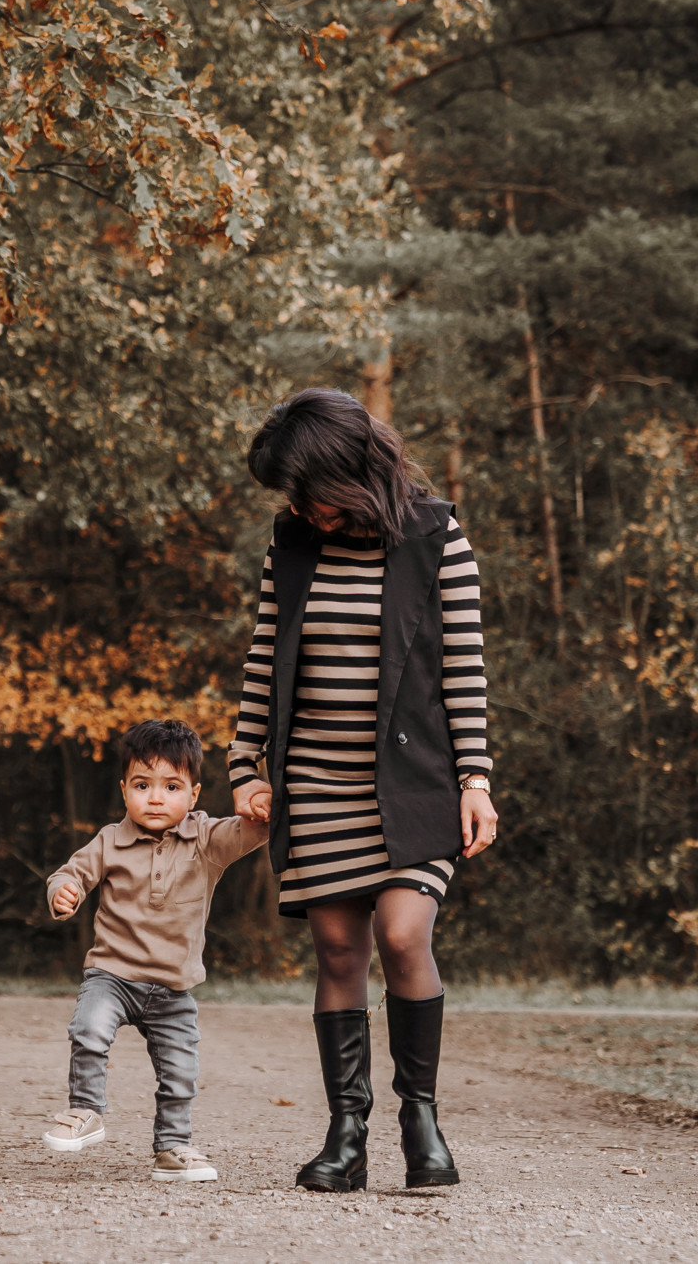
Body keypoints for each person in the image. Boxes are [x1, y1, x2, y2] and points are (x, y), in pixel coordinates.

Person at [226, 387, 501, 1193]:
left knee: (404, 934)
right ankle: (346, 1134)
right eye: (292, 496)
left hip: (413, 783)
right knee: (339, 951)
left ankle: (422, 1118)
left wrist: (476, 778)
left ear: (350, 471)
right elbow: (264, 656)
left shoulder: (436, 537)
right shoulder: (291, 544)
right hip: (315, 778)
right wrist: (245, 762)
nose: (299, 508)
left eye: (307, 491)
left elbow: (464, 665)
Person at [41, 719, 268, 1183]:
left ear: (194, 794)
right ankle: (85, 1110)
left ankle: (173, 1147)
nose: (156, 798)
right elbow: (71, 873)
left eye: (172, 786)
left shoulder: (205, 839)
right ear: (124, 790)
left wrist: (263, 805)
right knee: (88, 1028)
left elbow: (250, 831)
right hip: (112, 975)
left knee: (181, 1070)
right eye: (143, 785)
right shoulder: (110, 840)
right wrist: (64, 891)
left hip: (173, 987)